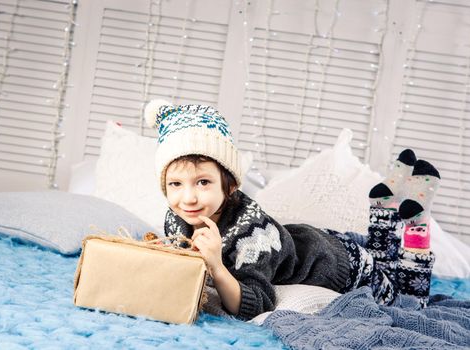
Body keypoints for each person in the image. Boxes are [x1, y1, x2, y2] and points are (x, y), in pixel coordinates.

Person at [144, 99, 440, 321]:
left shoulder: (251, 235)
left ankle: (416, 225)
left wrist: (218, 266)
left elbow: (256, 303)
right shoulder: (177, 217)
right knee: (380, 254)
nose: (188, 198)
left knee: (405, 300)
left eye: (203, 182)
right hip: (313, 240)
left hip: (343, 267)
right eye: (175, 184)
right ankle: (384, 207)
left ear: (230, 186)